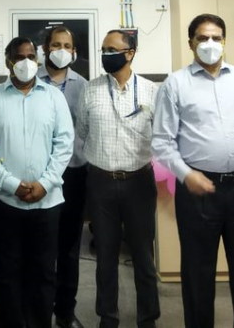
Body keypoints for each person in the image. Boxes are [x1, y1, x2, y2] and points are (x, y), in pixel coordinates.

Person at [152, 13, 234, 328]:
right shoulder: (175, 84)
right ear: (190, 42)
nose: (210, 44)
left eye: (216, 38)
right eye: (202, 38)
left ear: (225, 41)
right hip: (198, 189)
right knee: (198, 274)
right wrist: (186, 174)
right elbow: (162, 142)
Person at [0, 37, 74, 328]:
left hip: (47, 202)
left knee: (44, 274)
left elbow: (64, 143)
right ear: (8, 62)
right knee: (6, 274)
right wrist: (11, 184)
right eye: (20, 57)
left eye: (32, 56)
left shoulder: (54, 97)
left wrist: (45, 183)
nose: (27, 63)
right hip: (4, 203)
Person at [79, 29, 160, 328]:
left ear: (130, 53)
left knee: (143, 256)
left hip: (139, 182)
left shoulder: (152, 91)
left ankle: (148, 318)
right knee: (106, 258)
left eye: (111, 49)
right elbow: (82, 133)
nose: (105, 55)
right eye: (102, 49)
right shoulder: (91, 90)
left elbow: (162, 135)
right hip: (101, 182)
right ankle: (107, 318)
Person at [38, 26, 90, 328]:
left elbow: (86, 131)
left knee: (69, 249)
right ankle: (40, 309)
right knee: (42, 247)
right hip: (38, 178)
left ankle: (65, 311)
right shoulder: (31, 81)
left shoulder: (83, 87)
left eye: (67, 45)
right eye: (56, 44)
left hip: (72, 175)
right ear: (46, 48)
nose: (61, 50)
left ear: (74, 51)